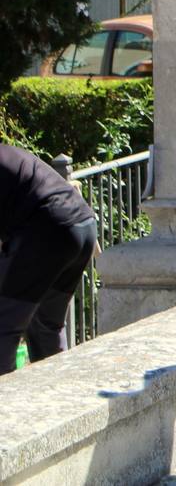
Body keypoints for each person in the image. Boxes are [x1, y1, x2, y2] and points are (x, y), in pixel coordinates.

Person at [0, 145, 99, 375]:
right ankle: (59, 399)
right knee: (45, 326)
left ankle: (6, 405)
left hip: (47, 231)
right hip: (82, 226)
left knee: (3, 326)